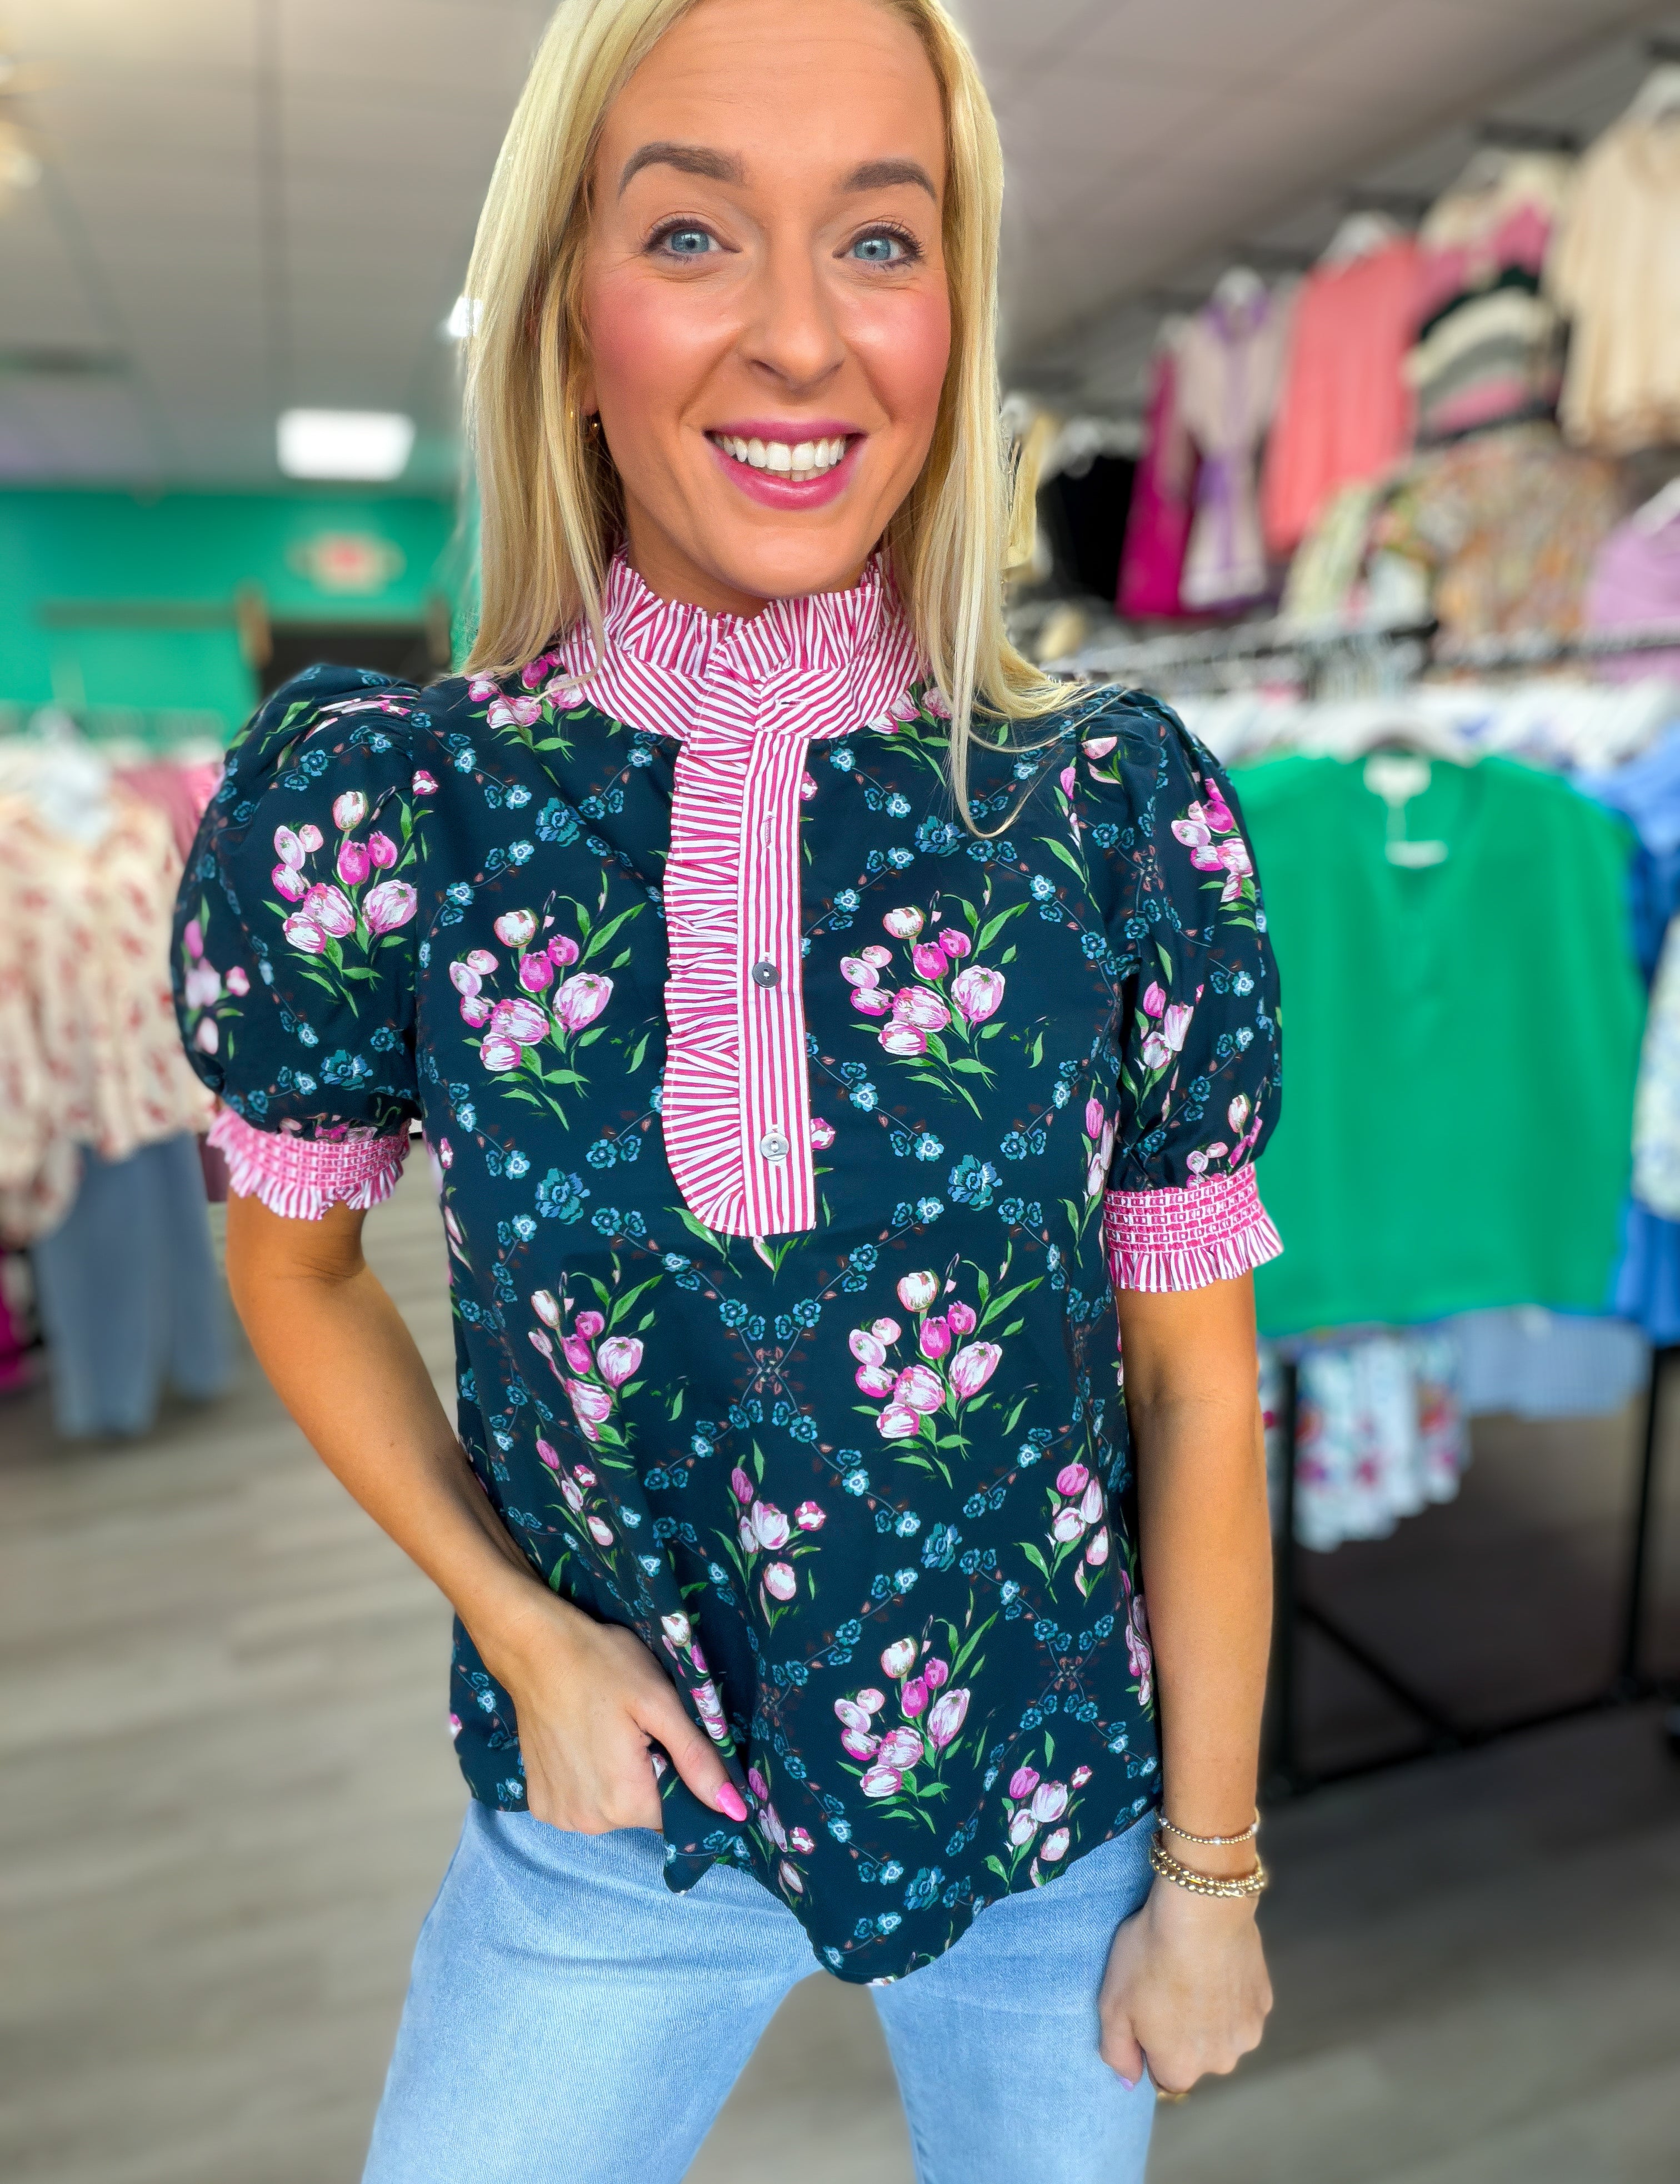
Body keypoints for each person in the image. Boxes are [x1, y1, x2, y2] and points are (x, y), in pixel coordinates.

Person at [173, 2, 1281, 2176]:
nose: (799, 336)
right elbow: (294, 1269)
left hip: (1043, 1809)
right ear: (571, 322)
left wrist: (1212, 1870)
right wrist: (519, 1626)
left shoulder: (1110, 815)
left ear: (953, 321)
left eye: (879, 242)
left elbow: (1193, 1388)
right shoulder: (392, 810)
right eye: (692, 236)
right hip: (606, 1824)